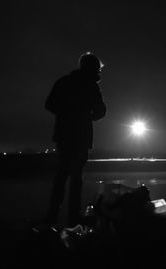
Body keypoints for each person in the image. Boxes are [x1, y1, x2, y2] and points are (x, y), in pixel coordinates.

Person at [44, 52, 107, 227]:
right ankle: (73, 218)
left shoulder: (63, 82)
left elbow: (49, 104)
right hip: (81, 136)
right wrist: (87, 116)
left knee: (61, 176)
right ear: (94, 68)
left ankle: (52, 217)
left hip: (64, 135)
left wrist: (65, 113)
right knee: (76, 178)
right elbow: (101, 111)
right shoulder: (91, 86)